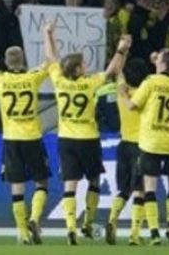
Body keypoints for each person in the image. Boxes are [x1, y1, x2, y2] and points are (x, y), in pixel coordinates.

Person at [43, 23, 130, 245]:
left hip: (66, 139)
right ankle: (88, 224)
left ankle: (70, 228)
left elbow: (51, 57)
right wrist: (121, 49)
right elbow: (112, 70)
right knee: (94, 180)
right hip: (89, 138)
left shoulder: (59, 81)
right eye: (83, 63)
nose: (86, 65)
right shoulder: (90, 83)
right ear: (78, 70)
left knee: (69, 185)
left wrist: (47, 34)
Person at [0, 36, 50, 245]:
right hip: (32, 137)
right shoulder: (33, 77)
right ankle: (34, 218)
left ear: (6, 62)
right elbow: (51, 61)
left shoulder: (0, 78)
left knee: (16, 186)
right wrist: (48, 36)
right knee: (41, 181)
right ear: (23, 61)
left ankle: (23, 232)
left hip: (11, 138)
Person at [118, 50, 169, 246]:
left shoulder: (150, 82)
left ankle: (153, 232)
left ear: (162, 64)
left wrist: (123, 95)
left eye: (158, 59)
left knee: (149, 188)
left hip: (151, 141)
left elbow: (133, 106)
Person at [105, 58, 151, 245]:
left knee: (124, 189)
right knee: (140, 191)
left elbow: (117, 70)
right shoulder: (147, 93)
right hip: (142, 146)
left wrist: (123, 50)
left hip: (123, 145)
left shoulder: (121, 89)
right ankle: (134, 233)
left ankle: (112, 219)